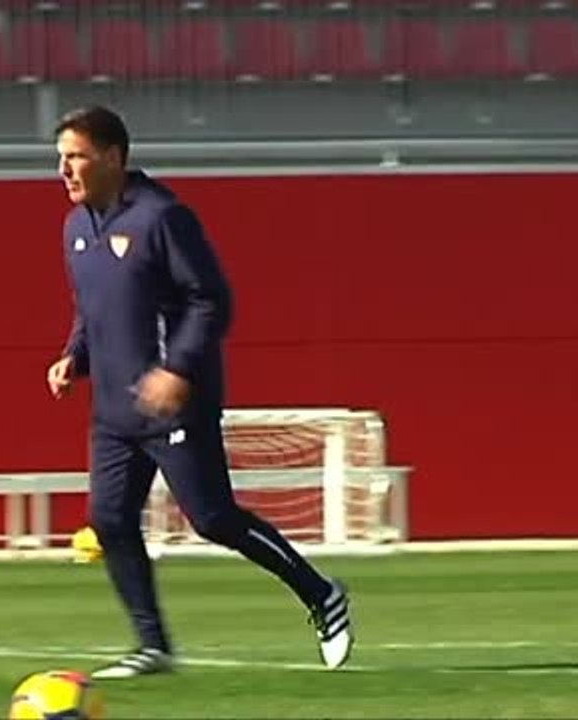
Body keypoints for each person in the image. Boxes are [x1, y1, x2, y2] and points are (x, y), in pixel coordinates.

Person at [45, 105, 353, 679]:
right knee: (110, 520)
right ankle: (152, 646)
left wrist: (178, 369)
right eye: (59, 159)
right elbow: (92, 306)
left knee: (212, 518)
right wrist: (74, 355)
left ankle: (322, 595)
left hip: (175, 404)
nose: (63, 170)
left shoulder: (162, 217)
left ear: (113, 157)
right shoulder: (75, 228)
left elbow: (210, 300)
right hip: (114, 411)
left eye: (76, 157)